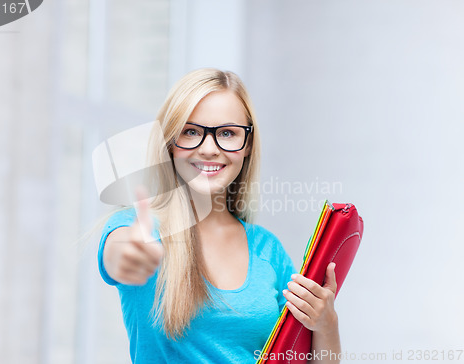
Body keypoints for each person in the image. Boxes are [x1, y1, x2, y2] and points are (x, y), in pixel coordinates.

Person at [98, 68, 341, 363]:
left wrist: (326, 323)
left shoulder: (267, 249)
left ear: (247, 144)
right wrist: (129, 253)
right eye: (191, 132)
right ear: (170, 143)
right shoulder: (138, 229)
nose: (209, 148)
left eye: (227, 133)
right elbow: (118, 253)